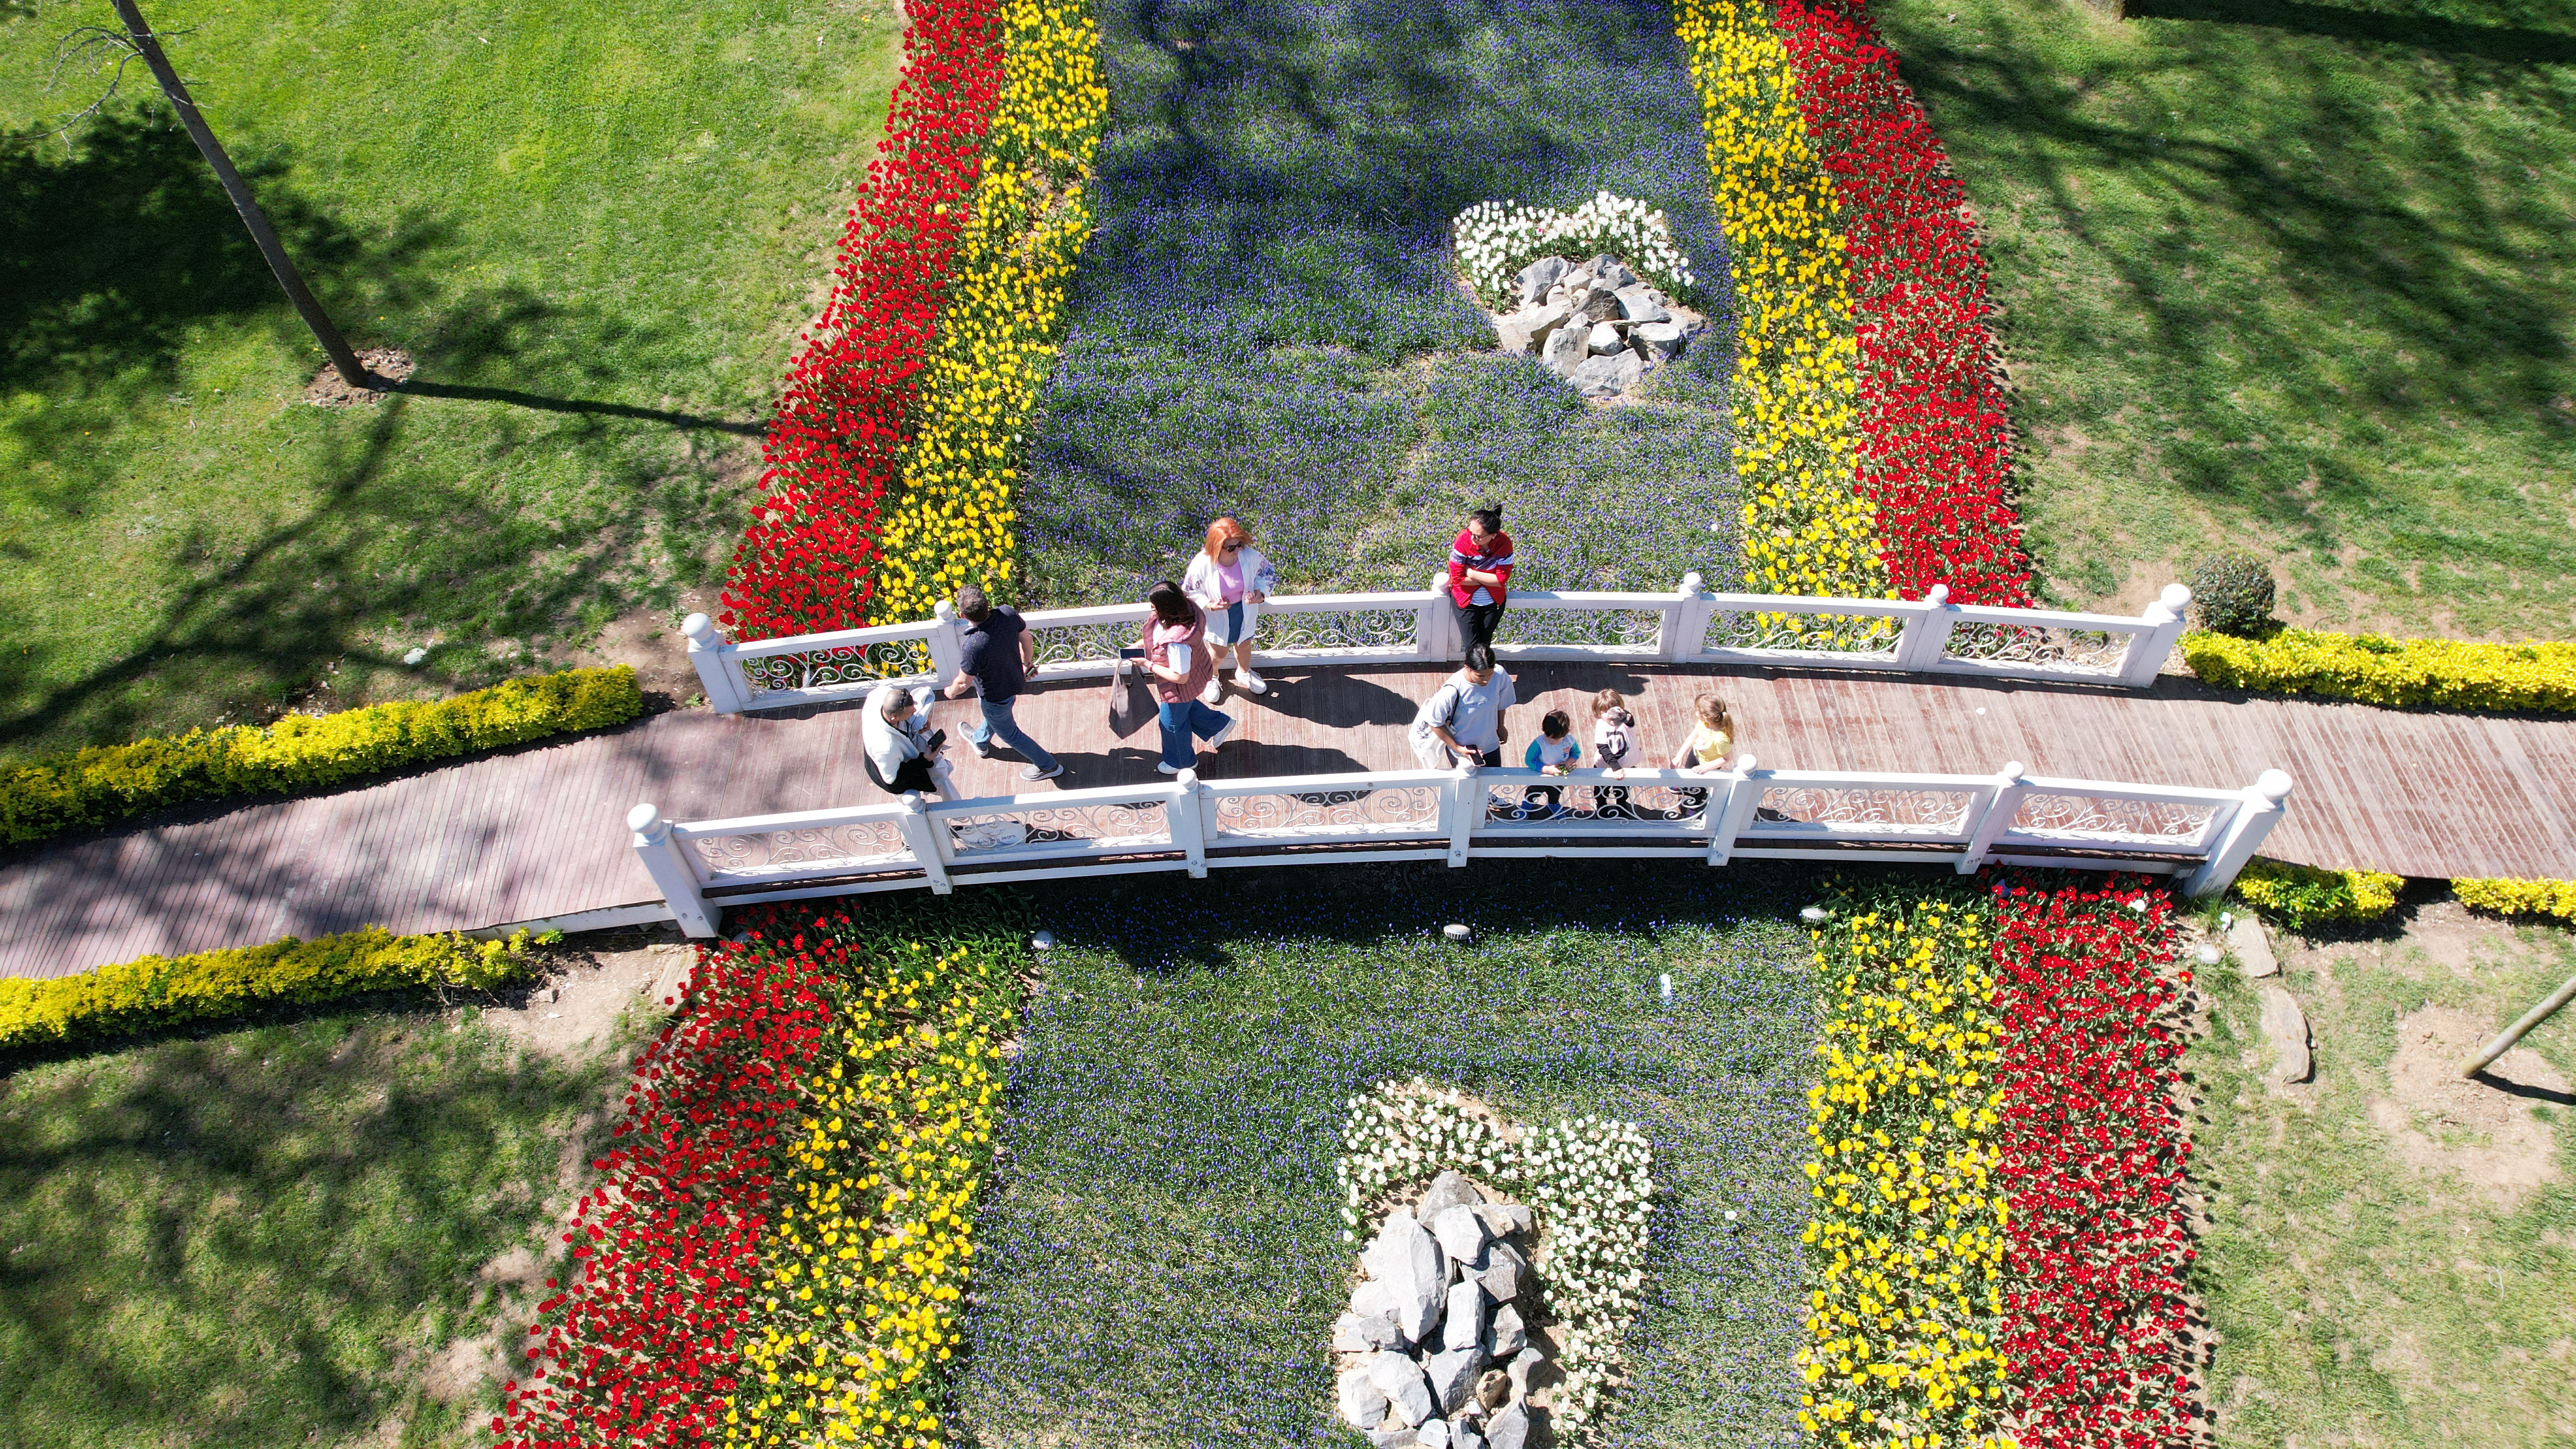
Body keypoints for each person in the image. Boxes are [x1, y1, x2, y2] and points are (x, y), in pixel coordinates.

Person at [943, 584, 1063, 782]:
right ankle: (980, 742)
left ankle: (1048, 765)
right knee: (998, 717)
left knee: (1010, 734)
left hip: (994, 696)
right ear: (988, 604)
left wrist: (950, 692)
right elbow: (1026, 640)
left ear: (962, 616)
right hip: (1015, 681)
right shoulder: (1007, 614)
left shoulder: (973, 646)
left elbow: (963, 683)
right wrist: (1026, 663)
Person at [1137, 580, 1237, 774]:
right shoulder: (1189, 611)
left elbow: (1180, 677)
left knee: (1171, 724)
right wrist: (1139, 645)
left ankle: (1181, 762)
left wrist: (1148, 664)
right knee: (1185, 708)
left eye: (1155, 605)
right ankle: (1219, 726)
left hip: (1179, 688)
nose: (1151, 607)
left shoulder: (1178, 644)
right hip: (1198, 672)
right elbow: (1159, 637)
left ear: (1166, 608)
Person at [1183, 517, 1277, 704]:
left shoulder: (1249, 556)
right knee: (1218, 652)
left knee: (1244, 646)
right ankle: (1212, 677)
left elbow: (1268, 574)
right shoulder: (1202, 564)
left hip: (1244, 613)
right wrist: (1209, 605)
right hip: (1218, 617)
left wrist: (1261, 594)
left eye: (1240, 544)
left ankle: (1243, 673)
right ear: (1216, 547)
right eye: (1231, 548)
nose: (1239, 550)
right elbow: (1190, 591)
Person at [1409, 643, 1517, 770]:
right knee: (1466, 785)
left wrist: (1501, 726)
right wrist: (1458, 748)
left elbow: (1501, 704)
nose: (1486, 680)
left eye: (1490, 675)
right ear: (1467, 668)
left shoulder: (1499, 674)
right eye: (1480, 676)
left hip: (1491, 744)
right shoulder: (1452, 690)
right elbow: (1434, 722)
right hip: (1464, 751)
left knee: (1490, 780)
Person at [861, 683, 956, 799]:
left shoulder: (882, 694)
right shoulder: (886, 747)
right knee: (917, 795)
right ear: (894, 718)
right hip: (893, 776)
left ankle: (959, 813)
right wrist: (925, 760)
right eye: (911, 713)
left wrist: (925, 718)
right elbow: (893, 778)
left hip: (891, 757)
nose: (915, 711)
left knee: (942, 778)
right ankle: (960, 814)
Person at [1445, 506, 1515, 652]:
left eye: (1478, 536)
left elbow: (1501, 579)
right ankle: (1473, 673)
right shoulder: (1463, 540)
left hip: (1493, 603)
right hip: (1466, 600)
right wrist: (1489, 578)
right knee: (1472, 647)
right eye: (1471, 532)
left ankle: (1481, 673)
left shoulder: (1504, 543)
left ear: (1493, 535)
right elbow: (1458, 579)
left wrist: (1470, 572)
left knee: (1484, 646)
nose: (1472, 538)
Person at [1667, 692, 1737, 819]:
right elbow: (1693, 737)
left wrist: (1707, 767)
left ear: (1707, 717)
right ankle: (1684, 786)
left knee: (1700, 787)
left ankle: (1696, 804)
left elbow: (1727, 758)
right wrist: (1680, 756)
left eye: (1697, 711)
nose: (1696, 714)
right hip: (1696, 755)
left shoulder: (1721, 738)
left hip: (1708, 765)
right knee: (1688, 773)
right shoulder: (1703, 724)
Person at [1520, 708, 1580, 818]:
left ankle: (1553, 804)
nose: (1552, 741)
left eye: (1557, 739)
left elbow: (1576, 753)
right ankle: (1528, 802)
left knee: (1555, 792)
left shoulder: (1570, 740)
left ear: (1565, 734)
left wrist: (1570, 762)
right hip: (1540, 775)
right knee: (1534, 791)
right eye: (1548, 737)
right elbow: (1529, 760)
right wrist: (1547, 770)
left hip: (1559, 776)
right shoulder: (1539, 743)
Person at [1590, 689, 1640, 820]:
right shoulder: (1601, 725)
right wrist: (1615, 767)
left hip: (1626, 766)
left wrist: (1622, 714)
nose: (1609, 715)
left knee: (1623, 790)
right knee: (1601, 790)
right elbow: (1603, 748)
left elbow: (1630, 721)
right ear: (1599, 712)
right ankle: (1601, 805)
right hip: (1604, 766)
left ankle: (1622, 804)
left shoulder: (1625, 722)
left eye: (1612, 710)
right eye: (1605, 711)